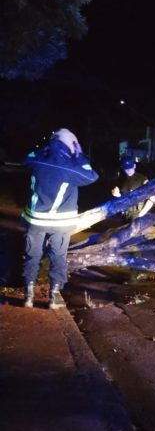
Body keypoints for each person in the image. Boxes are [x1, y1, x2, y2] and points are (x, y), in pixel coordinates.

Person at [21, 128, 99, 309]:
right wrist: (79, 155)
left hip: (35, 221)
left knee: (31, 255)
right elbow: (91, 176)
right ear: (71, 145)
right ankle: (54, 296)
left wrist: (48, 147)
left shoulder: (38, 160)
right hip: (60, 223)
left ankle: (29, 295)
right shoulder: (70, 167)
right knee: (58, 257)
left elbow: (26, 158)